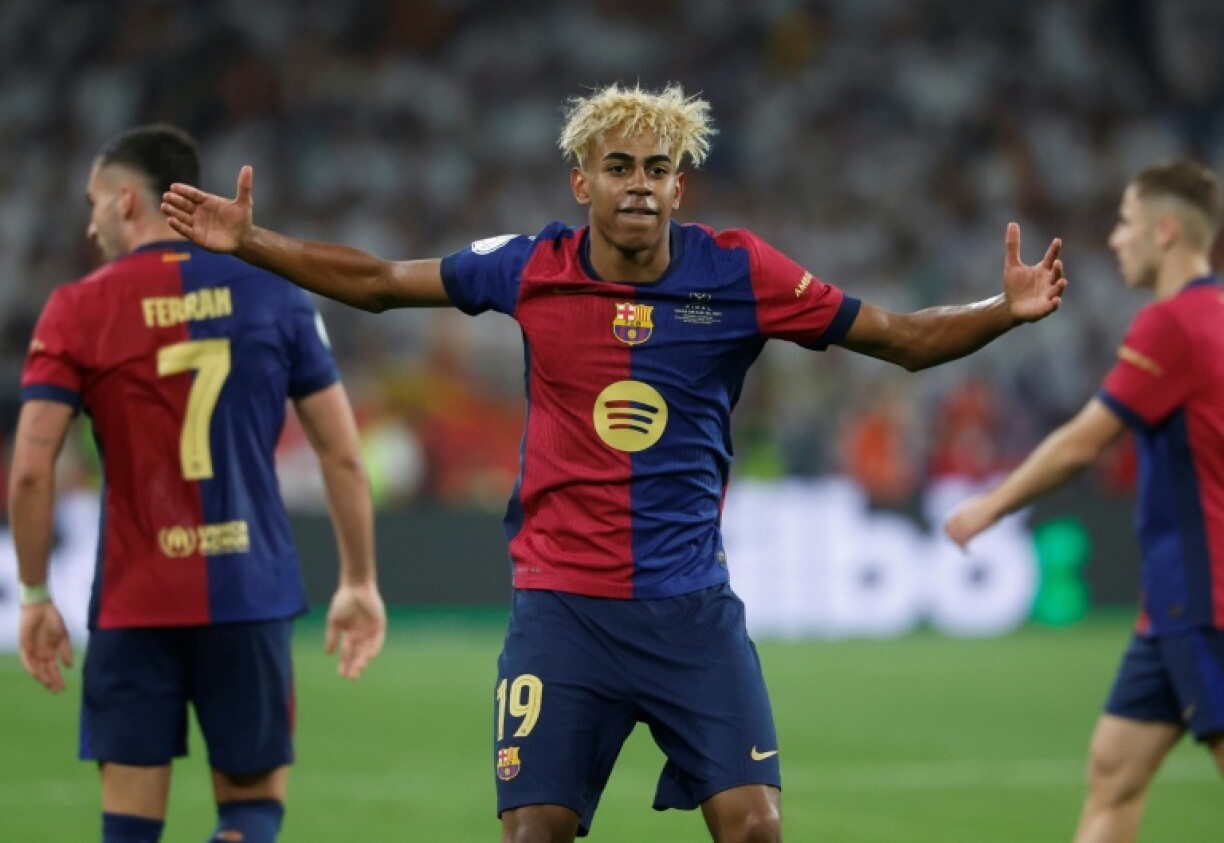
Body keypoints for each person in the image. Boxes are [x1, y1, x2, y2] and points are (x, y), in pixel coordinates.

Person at [162, 83, 1066, 843]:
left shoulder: (741, 273)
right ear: (582, 179)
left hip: (690, 612)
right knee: (533, 831)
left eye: (658, 169)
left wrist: (1004, 307)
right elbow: (378, 283)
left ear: (680, 187)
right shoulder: (531, 268)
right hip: (564, 612)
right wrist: (253, 241)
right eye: (621, 167)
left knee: (756, 826)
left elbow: (902, 340)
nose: (640, 185)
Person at [10, 124, 387, 843]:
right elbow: (341, 453)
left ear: (126, 202)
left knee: (128, 828)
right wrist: (359, 578)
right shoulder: (277, 294)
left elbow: (31, 469)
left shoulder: (77, 309)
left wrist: (33, 596)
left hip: (132, 598)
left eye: (93, 202)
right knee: (249, 814)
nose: (89, 222)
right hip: (249, 590)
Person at [945, 158, 1224, 843]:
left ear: (1164, 231)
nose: (1114, 239)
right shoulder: (1216, 315)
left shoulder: (1172, 325)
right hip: (1168, 607)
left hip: (1205, 596)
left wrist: (990, 505)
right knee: (1113, 772)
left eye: (1126, 223)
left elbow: (1082, 442)